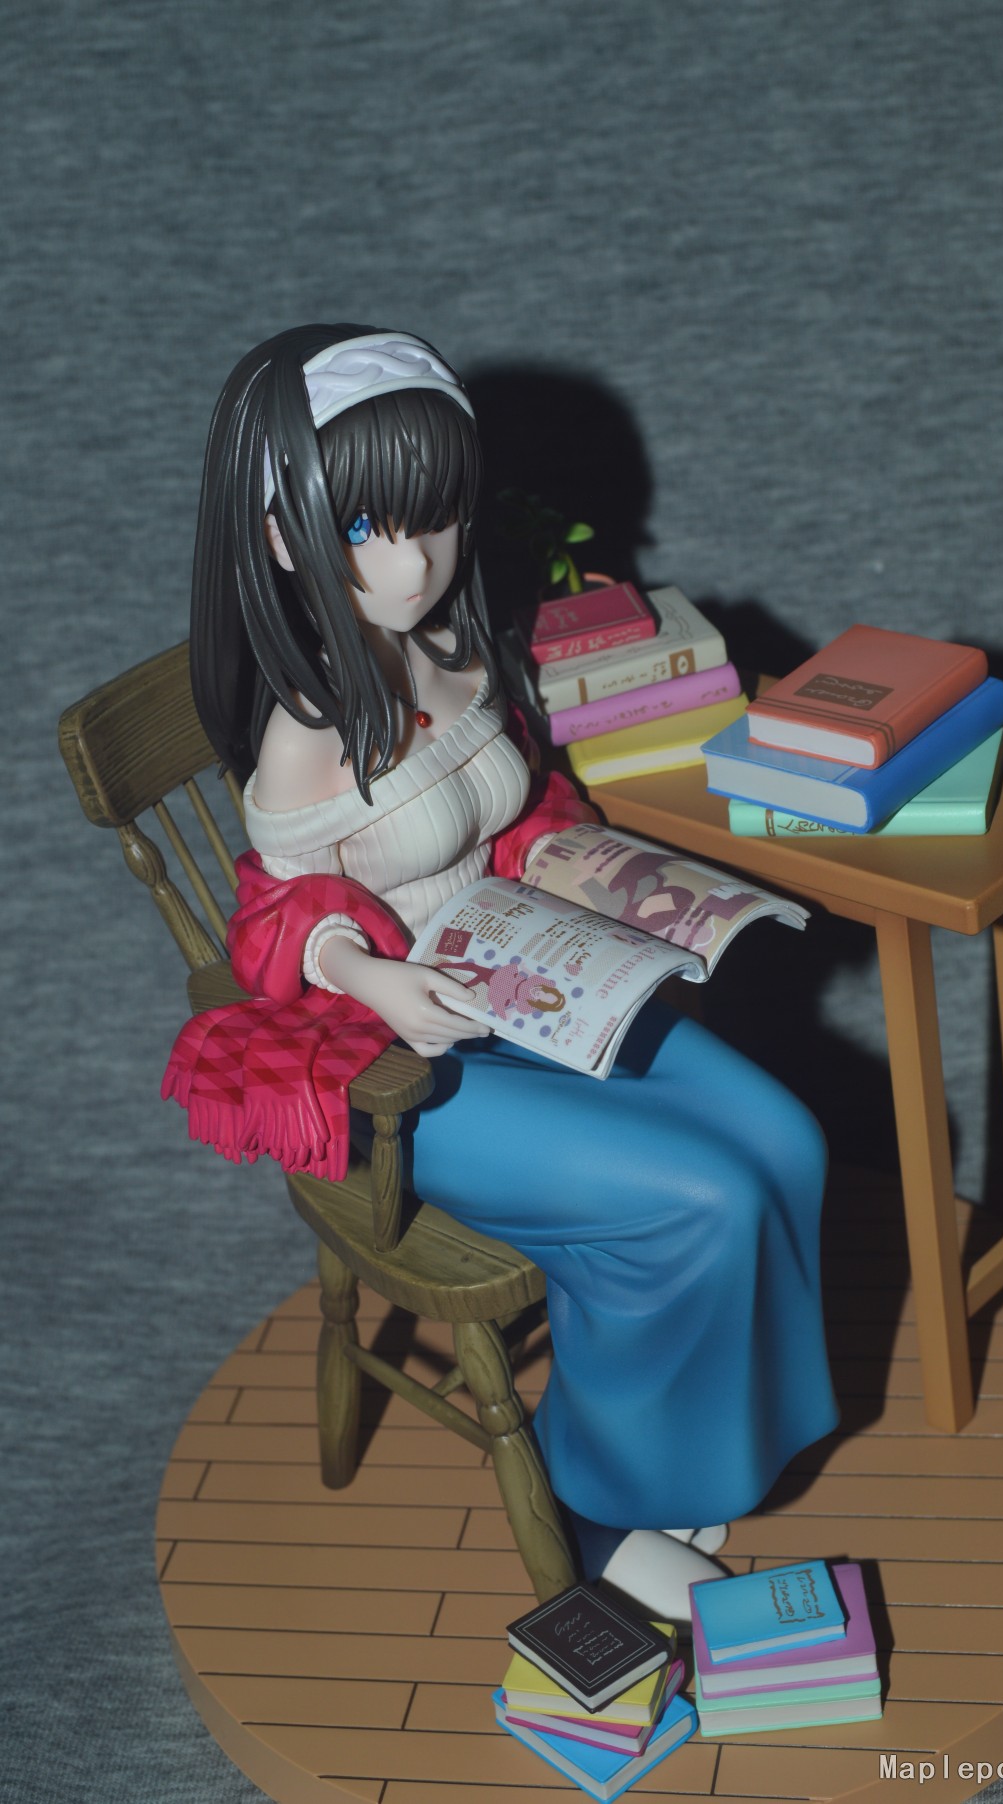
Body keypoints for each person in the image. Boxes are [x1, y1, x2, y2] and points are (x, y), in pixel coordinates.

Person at [178, 324, 837, 1619]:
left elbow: (521, 810)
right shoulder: (308, 735)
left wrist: (601, 877)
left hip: (529, 969)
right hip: (413, 1053)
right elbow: (272, 917)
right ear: (281, 537)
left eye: (434, 516)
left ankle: (711, 1440)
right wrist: (372, 978)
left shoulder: (449, 648)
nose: (413, 561)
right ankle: (598, 1503)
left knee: (786, 1137)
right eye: (364, 527)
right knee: (696, 1200)